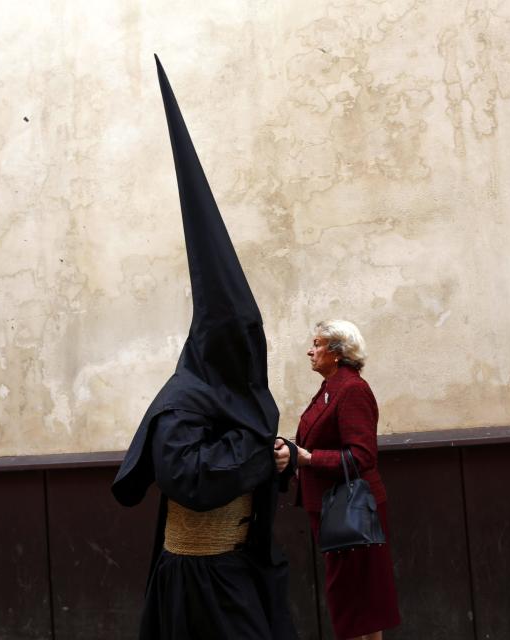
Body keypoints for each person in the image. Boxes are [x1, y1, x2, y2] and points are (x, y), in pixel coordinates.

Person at [112, 56, 298, 640]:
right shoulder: (181, 401)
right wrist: (262, 454)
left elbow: (257, 442)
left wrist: (283, 453)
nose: (247, 351)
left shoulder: (238, 391)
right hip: (198, 579)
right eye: (236, 340)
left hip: (240, 566)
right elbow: (188, 474)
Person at [275, 319, 401, 640]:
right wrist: (292, 453)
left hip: (351, 511)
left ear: (336, 352)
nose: (310, 350)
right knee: (355, 599)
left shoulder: (352, 390)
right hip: (333, 509)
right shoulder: (332, 388)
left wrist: (307, 458)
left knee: (358, 601)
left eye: (317, 344)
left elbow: (362, 456)